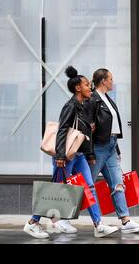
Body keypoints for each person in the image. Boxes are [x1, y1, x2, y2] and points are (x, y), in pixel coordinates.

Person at [23, 66, 119, 239]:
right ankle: (32, 223)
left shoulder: (83, 106)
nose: (90, 87)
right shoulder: (71, 106)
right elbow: (62, 131)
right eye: (87, 85)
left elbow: (87, 133)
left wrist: (89, 154)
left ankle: (98, 225)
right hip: (66, 157)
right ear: (78, 88)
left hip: (80, 156)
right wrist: (60, 156)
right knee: (55, 190)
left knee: (89, 187)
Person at [89, 68, 139, 233]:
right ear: (103, 81)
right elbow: (90, 126)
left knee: (118, 184)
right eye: (110, 79)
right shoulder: (93, 99)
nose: (112, 82)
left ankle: (126, 221)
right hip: (98, 147)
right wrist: (89, 151)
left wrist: (117, 148)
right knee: (87, 185)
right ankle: (63, 218)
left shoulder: (107, 98)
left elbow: (112, 126)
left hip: (111, 146)